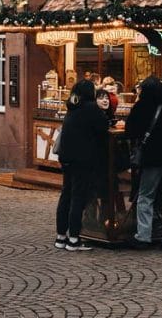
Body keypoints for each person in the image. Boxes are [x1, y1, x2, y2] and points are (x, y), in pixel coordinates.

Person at [125, 75, 162, 251]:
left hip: (152, 158)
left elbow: (130, 130)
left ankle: (143, 236)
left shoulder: (142, 107)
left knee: (146, 196)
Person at [55, 79, 108, 252]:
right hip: (82, 158)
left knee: (66, 195)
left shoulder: (72, 106)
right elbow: (103, 126)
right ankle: (74, 239)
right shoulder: (91, 107)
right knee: (78, 197)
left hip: (66, 157)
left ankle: (60, 237)